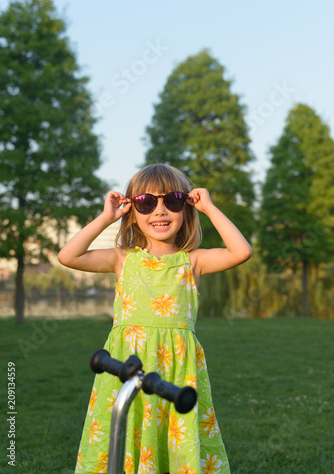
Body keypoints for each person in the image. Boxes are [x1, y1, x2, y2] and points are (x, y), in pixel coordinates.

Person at [58, 163, 252, 474]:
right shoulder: (122, 258)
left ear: (185, 209)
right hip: (126, 363)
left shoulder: (193, 261)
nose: (159, 211)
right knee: (125, 433)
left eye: (172, 201)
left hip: (176, 368)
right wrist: (106, 218)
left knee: (174, 438)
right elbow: (68, 256)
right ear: (132, 211)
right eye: (147, 203)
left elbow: (241, 251)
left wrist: (211, 209)